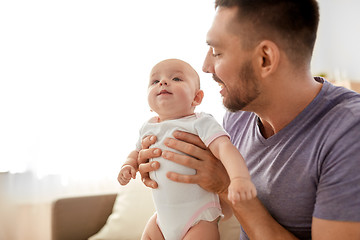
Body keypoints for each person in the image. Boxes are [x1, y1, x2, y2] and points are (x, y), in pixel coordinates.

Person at [137, 1, 360, 239]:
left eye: (217, 52)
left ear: (265, 59)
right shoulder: (239, 116)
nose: (205, 66)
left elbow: (233, 194)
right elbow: (226, 211)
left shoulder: (349, 133)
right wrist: (178, 175)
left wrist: (225, 184)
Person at [118, 58, 256, 240]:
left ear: (196, 97)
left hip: (198, 219)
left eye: (176, 79)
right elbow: (136, 153)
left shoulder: (200, 122)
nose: (163, 82)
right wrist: (128, 165)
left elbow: (224, 147)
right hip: (161, 219)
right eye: (154, 81)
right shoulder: (148, 127)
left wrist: (238, 178)